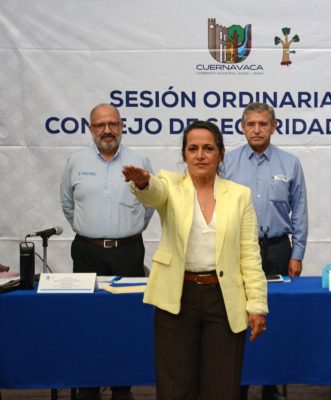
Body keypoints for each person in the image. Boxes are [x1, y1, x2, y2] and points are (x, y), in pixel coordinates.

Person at [122, 120, 268, 400]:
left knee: (222, 388)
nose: (200, 155)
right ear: (184, 155)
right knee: (175, 389)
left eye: (208, 148)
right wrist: (142, 182)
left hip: (223, 299)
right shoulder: (169, 185)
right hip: (177, 298)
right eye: (193, 149)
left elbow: (250, 254)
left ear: (221, 154)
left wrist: (257, 305)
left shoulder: (240, 195)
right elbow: (153, 193)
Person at [60, 103, 154, 400]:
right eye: (100, 125)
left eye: (113, 124)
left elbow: (150, 202)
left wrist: (129, 229)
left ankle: (122, 388)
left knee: (126, 322)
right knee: (87, 322)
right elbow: (67, 203)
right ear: (91, 129)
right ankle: (88, 386)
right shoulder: (76, 162)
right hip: (87, 252)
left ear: (122, 126)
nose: (107, 130)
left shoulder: (139, 161)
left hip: (128, 251)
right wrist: (90, 230)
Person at [223, 103, 308, 400]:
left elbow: (300, 210)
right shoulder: (227, 163)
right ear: (242, 127)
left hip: (277, 249)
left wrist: (297, 253)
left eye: (263, 124)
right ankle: (240, 384)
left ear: (274, 126)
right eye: (251, 124)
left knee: (276, 317)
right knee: (238, 315)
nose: (257, 130)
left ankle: (271, 385)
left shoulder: (290, 163)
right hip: (238, 249)